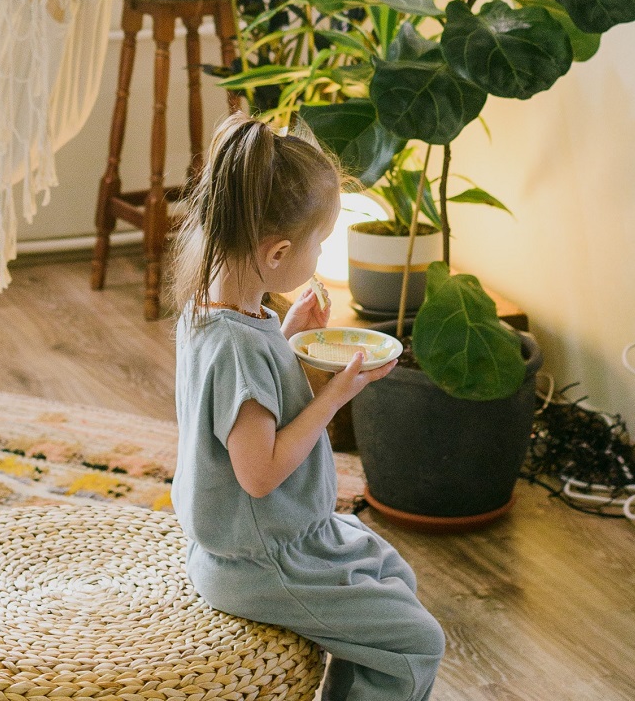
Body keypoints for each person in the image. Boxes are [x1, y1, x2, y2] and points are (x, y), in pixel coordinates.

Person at [170, 113, 445, 701]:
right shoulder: (236, 346)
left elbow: (249, 408)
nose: (319, 258)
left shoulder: (223, 311)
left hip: (271, 540)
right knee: (417, 641)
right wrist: (335, 395)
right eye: (319, 245)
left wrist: (289, 336)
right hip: (264, 560)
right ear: (278, 253)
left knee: (393, 573)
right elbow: (260, 471)